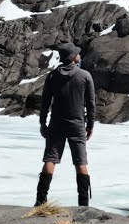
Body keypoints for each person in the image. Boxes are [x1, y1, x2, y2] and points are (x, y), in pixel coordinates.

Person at [36, 43, 96, 207]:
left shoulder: (52, 76)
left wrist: (42, 122)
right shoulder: (85, 76)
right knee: (80, 162)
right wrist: (90, 125)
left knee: (50, 159)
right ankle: (83, 204)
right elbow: (91, 105)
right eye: (78, 53)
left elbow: (45, 102)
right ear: (73, 57)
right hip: (77, 124)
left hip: (56, 123)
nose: (80, 55)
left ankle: (41, 200)